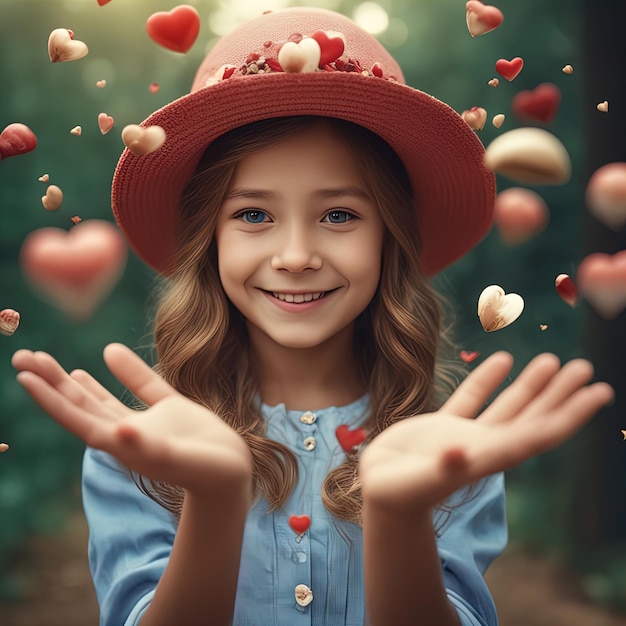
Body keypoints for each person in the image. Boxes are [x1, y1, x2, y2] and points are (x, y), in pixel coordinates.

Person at [11, 7, 613, 626]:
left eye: (338, 215)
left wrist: (400, 518)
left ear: (389, 238)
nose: (296, 256)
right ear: (208, 239)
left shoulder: (449, 453)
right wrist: (214, 501)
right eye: (252, 215)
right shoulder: (142, 451)